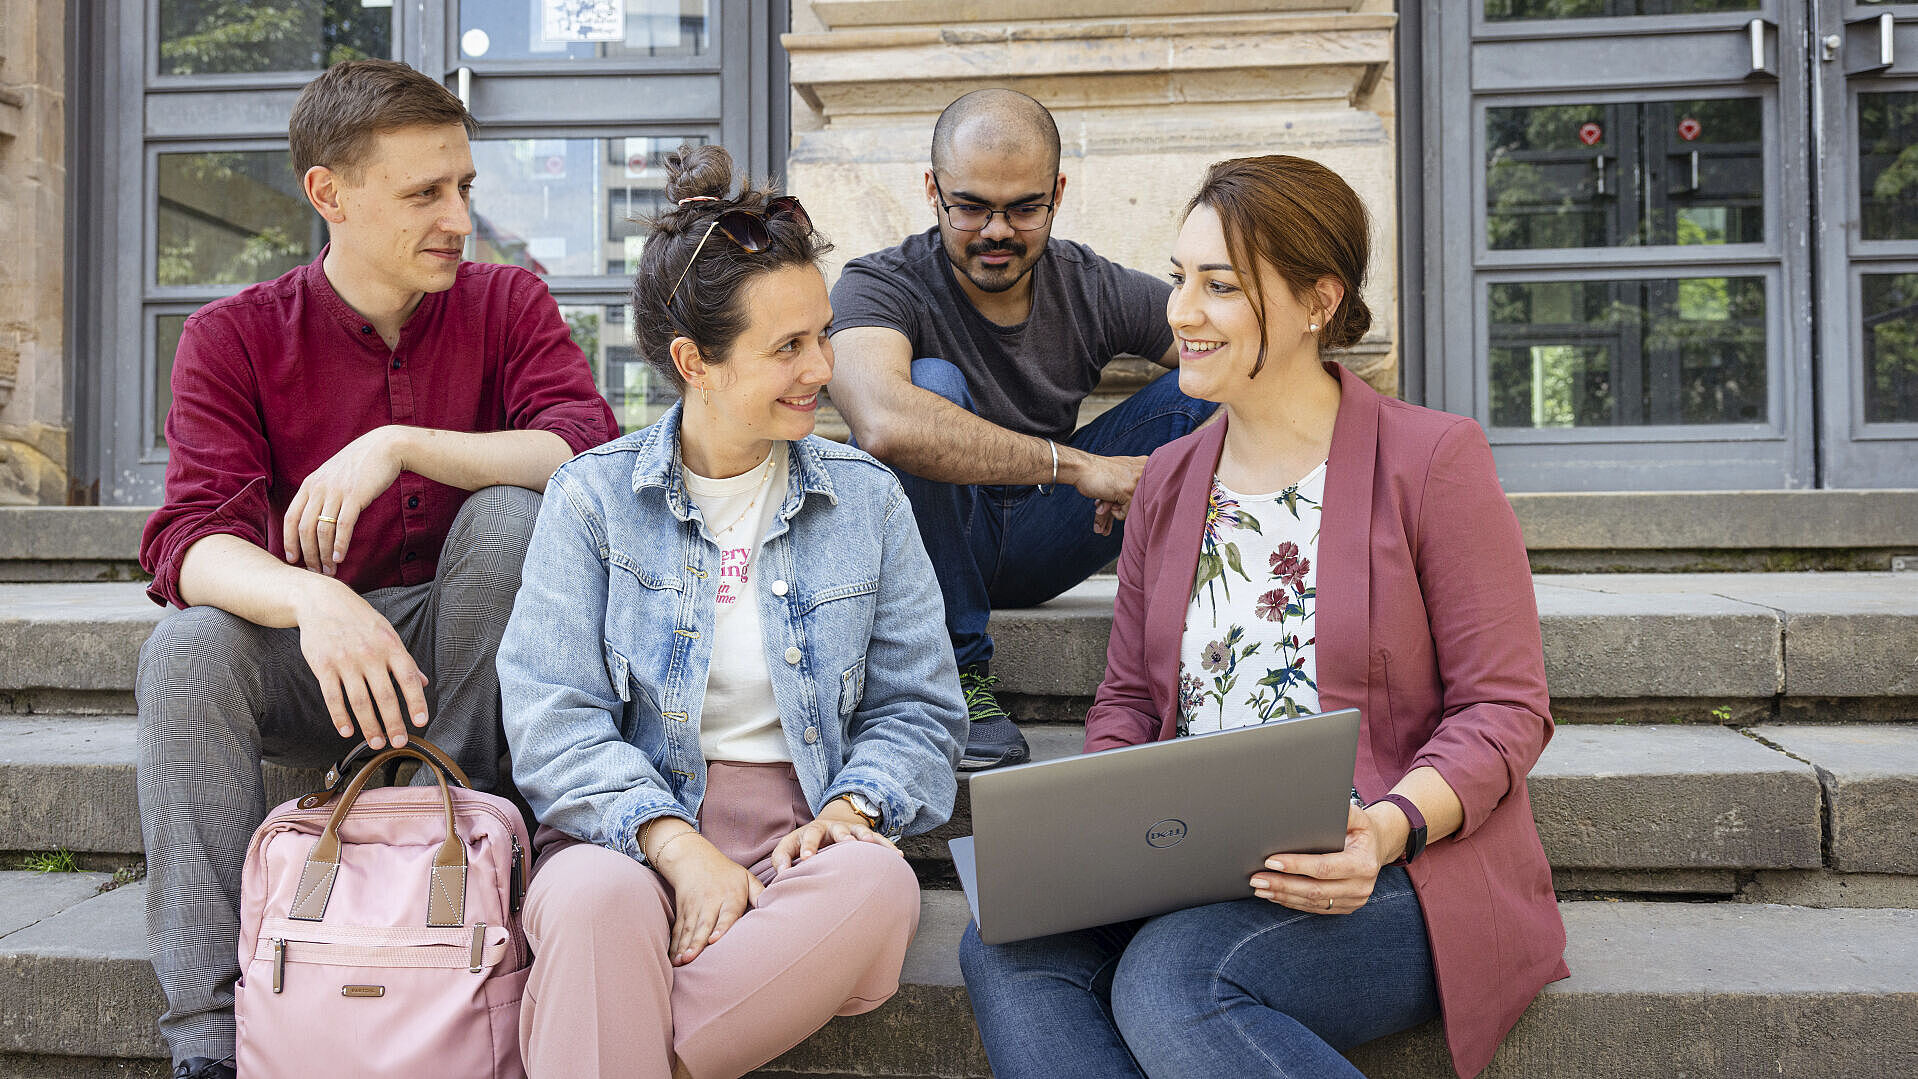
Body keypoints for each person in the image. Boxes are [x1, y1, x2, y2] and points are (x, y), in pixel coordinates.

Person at [958, 156, 1569, 1079]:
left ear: (1319, 300)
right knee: (1004, 940)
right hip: (1196, 861)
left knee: (1175, 977)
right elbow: (1126, 699)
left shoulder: (1432, 459)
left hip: (1394, 868)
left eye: (1221, 286)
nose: (1182, 312)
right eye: (1178, 279)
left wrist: (1388, 828)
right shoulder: (1166, 481)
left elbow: (1506, 709)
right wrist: (1096, 840)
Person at [134, 59, 617, 1079]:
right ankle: (207, 1041)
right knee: (185, 649)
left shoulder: (508, 305)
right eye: (424, 192)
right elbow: (191, 541)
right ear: (329, 195)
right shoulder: (232, 336)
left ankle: (448, 858)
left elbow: (584, 448)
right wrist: (316, 597)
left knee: (503, 522)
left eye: (464, 188)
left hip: (478, 652)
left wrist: (400, 440)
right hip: (323, 666)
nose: (457, 216)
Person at [497, 144, 966, 1079]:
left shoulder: (867, 501)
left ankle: (614, 1040)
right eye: (788, 347)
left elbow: (921, 709)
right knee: (590, 905)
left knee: (876, 880)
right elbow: (551, 719)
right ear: (693, 362)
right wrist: (672, 843)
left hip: (803, 843)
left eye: (823, 334)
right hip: (623, 833)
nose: (823, 368)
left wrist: (853, 803)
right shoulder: (591, 500)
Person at [828, 88, 1216, 771]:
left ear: (1057, 194)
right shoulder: (879, 284)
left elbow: (1247, 360)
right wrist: (1081, 468)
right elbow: (884, 422)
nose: (997, 231)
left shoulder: (1091, 285)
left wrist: (1162, 474)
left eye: (1023, 208)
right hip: (935, 540)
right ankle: (953, 676)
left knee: (1211, 391)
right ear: (933, 190)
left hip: (1048, 534)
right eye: (971, 206)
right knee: (926, 387)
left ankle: (1209, 641)